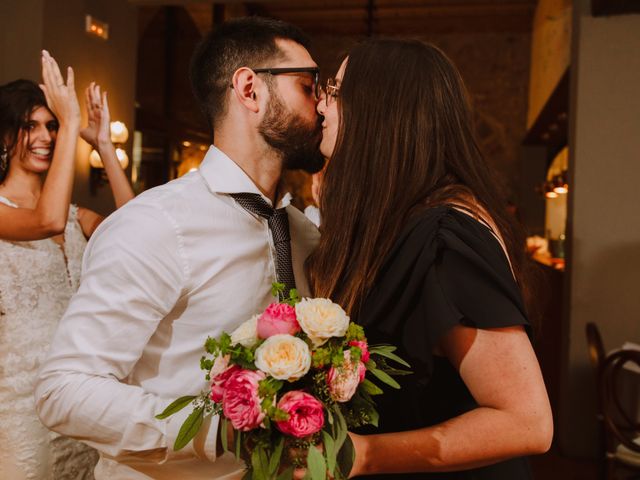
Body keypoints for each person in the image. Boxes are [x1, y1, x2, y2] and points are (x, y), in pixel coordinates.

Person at [35, 17, 323, 480]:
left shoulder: (302, 234)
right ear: (250, 89)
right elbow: (64, 391)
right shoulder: (157, 225)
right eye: (308, 86)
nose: (322, 106)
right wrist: (219, 432)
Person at [308, 39, 553, 478]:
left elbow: (528, 423)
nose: (321, 105)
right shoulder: (408, 219)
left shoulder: (446, 237)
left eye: (336, 91)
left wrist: (364, 455)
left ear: (381, 112)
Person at [0, 52, 134, 479]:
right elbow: (45, 220)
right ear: (4, 136)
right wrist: (71, 116)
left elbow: (137, 234)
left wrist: (105, 148)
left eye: (52, 125)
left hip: (79, 395)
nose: (46, 136)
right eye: (30, 125)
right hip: (19, 405)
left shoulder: (77, 216)